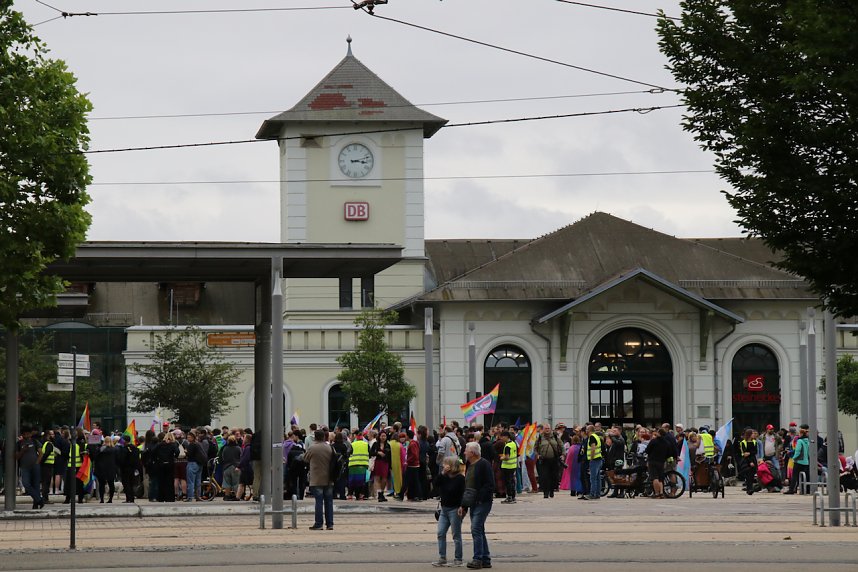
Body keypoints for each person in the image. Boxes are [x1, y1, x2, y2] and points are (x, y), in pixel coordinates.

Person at [459, 441, 494, 570]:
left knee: (475, 529)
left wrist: (479, 497)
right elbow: (468, 487)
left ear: (472, 453)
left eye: (466, 450)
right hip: (473, 502)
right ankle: (485, 559)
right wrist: (464, 505)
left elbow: (490, 485)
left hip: (482, 502)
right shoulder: (469, 464)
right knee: (479, 529)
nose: (464, 452)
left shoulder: (484, 464)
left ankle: (477, 558)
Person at [432, 456, 465, 567]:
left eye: (446, 464)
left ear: (452, 465)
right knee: (440, 533)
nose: (444, 465)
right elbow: (435, 484)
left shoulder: (460, 478)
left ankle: (458, 558)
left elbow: (463, 493)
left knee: (456, 535)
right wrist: (442, 473)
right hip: (444, 509)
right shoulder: (444, 476)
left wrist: (462, 506)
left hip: (455, 509)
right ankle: (442, 557)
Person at [303, 429, 334, 530]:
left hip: (317, 478)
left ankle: (318, 523)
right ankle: (330, 524)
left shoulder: (313, 448)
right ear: (324, 437)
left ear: (315, 437)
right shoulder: (329, 447)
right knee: (329, 501)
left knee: (319, 501)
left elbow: (305, 459)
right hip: (329, 478)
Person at [16, 426, 43, 509]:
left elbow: (41, 453)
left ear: (30, 434)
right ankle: (39, 500)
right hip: (24, 467)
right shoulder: (19, 443)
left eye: (28, 434)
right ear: (22, 434)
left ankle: (36, 503)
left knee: (36, 485)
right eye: (25, 434)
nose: (27, 436)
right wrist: (23, 450)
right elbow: (16, 456)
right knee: (26, 484)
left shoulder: (35, 441)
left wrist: (37, 462)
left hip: (35, 466)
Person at [534, 425, 562, 498]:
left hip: (554, 460)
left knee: (553, 476)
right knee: (544, 476)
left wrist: (563, 455)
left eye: (548, 428)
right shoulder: (540, 438)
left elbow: (561, 446)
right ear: (543, 429)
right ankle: (545, 492)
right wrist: (537, 455)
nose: (547, 430)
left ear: (550, 429)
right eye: (545, 428)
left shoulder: (555, 437)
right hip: (544, 460)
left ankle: (552, 490)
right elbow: (535, 448)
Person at [645, 428, 671, 499]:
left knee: (654, 477)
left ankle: (657, 493)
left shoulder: (654, 441)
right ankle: (661, 493)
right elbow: (669, 453)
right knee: (660, 478)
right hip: (661, 461)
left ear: (659, 433)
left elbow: (647, 450)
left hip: (653, 461)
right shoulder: (667, 442)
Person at [784, 425, 810, 494]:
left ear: (801, 434)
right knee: (805, 476)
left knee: (794, 476)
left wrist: (794, 458)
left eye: (799, 433)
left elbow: (797, 451)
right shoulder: (808, 441)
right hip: (806, 461)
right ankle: (806, 490)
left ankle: (791, 489)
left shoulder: (800, 441)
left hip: (799, 461)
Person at [94, 436, 117, 503]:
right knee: (111, 484)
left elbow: (95, 458)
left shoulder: (100, 449)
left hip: (101, 469)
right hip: (111, 469)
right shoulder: (114, 449)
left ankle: (102, 499)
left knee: (101, 485)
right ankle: (110, 499)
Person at [117, 435, 139, 503]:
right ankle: (131, 498)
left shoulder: (124, 449)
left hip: (125, 468)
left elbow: (121, 459)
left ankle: (128, 498)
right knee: (131, 483)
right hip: (133, 469)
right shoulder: (135, 448)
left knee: (126, 484)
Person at [348, 431, 370, 500]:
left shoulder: (352, 444)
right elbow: (370, 453)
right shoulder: (366, 444)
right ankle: (361, 494)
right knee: (361, 481)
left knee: (352, 480)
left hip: (353, 464)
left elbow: (348, 453)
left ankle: (350, 494)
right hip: (363, 465)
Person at [370, 429, 390, 502]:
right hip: (378, 462)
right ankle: (379, 494)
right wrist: (378, 453)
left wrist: (390, 465)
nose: (383, 437)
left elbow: (390, 455)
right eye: (382, 436)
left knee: (384, 479)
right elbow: (371, 453)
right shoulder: (375, 444)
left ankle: (382, 493)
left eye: (384, 436)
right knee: (377, 478)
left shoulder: (388, 444)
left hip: (385, 463)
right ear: (379, 436)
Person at [583, 426, 603, 500]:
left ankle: (592, 494)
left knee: (593, 478)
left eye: (587, 429)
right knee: (597, 478)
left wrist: (591, 458)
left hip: (594, 460)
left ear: (590, 430)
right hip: (599, 459)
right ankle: (597, 494)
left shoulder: (591, 437)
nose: (586, 430)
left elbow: (593, 448)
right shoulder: (597, 436)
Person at [219, 435, 242, 501]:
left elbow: (222, 457)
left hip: (226, 467)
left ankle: (227, 495)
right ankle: (236, 495)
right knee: (236, 482)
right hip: (236, 466)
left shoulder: (225, 448)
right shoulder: (238, 448)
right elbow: (241, 457)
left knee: (227, 482)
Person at [185, 431, 205, 502]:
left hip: (192, 463)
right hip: (199, 464)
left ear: (193, 437)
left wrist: (186, 452)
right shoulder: (199, 444)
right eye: (187, 437)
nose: (188, 438)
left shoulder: (191, 445)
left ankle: (190, 497)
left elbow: (189, 454)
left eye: (189, 437)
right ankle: (198, 496)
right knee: (198, 481)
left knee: (190, 481)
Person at [738, 428, 758, 495]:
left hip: (753, 459)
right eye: (752, 433)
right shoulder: (743, 442)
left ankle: (750, 487)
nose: (754, 434)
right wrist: (750, 461)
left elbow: (755, 451)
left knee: (752, 475)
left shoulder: (754, 442)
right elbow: (744, 453)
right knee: (748, 475)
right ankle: (749, 489)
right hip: (746, 460)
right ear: (749, 434)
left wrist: (749, 453)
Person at [498, 431, 517, 504]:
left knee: (508, 482)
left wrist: (501, 458)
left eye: (502, 436)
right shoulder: (513, 444)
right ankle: (513, 496)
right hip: (513, 466)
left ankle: (509, 497)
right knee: (512, 481)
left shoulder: (507, 446)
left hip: (507, 466)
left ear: (506, 436)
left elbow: (507, 457)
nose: (501, 438)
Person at [39, 430, 57, 503]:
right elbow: (46, 454)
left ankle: (45, 498)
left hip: (46, 465)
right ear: (48, 436)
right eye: (51, 435)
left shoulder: (45, 444)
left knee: (45, 482)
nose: (53, 436)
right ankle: (45, 498)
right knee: (46, 482)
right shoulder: (49, 444)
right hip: (47, 466)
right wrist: (42, 462)